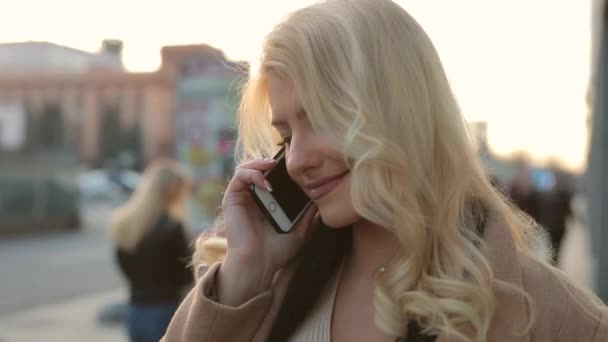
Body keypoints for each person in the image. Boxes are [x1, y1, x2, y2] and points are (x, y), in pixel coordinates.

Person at [163, 1, 608, 341]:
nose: (297, 160)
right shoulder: (264, 282)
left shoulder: (560, 317)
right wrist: (244, 275)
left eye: (322, 117)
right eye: (285, 136)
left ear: (401, 112)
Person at [110, 159, 194, 342]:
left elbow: (124, 266)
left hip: (135, 310)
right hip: (165, 310)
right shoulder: (172, 228)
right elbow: (185, 276)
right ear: (172, 192)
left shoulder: (125, 223)